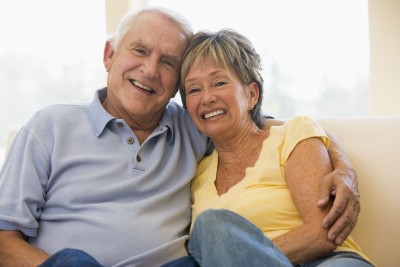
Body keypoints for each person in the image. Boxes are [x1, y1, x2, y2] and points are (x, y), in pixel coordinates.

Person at [0, 7, 359, 267]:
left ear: (175, 86)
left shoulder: (193, 125)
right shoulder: (48, 127)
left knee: (208, 232)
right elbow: (3, 240)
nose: (150, 70)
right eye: (139, 50)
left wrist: (343, 167)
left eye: (169, 62)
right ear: (110, 55)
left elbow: (269, 126)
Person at [170, 28, 374, 266]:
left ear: (252, 94)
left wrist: (237, 255)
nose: (206, 98)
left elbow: (323, 233)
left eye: (219, 82)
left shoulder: (291, 136)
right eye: (194, 89)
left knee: (211, 226)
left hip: (328, 262)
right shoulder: (198, 173)